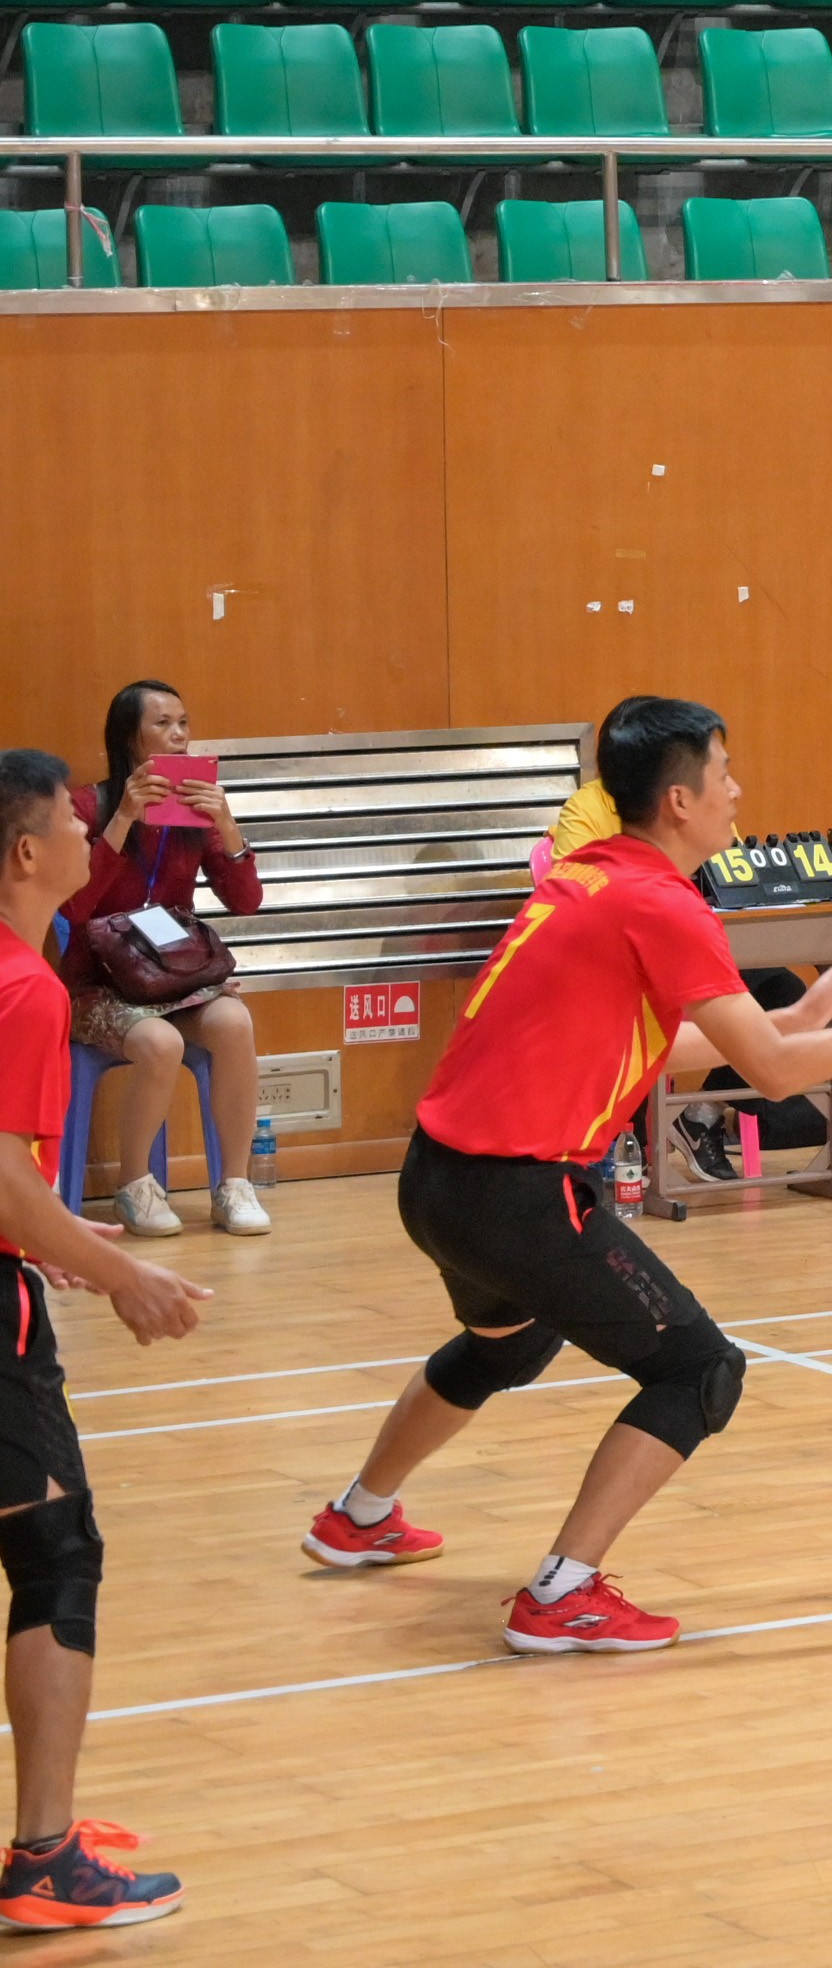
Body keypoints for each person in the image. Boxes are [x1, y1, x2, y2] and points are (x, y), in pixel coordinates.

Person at [306, 697, 832, 1649]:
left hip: (439, 1182)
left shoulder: (592, 878)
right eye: (724, 771)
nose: (738, 790)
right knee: (699, 1369)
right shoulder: (662, 901)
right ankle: (562, 1593)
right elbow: (777, 1080)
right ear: (679, 799)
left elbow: (646, 1048)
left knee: (506, 1344)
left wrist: (796, 1019)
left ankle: (358, 1516)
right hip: (519, 1194)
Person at [0, 749, 207, 1930]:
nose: (93, 839)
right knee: (58, 1556)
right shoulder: (27, 989)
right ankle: (44, 1859)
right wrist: (118, 1267)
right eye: (76, 824)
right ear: (28, 854)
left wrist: (54, 1227)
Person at [59, 681, 264, 1238]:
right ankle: (135, 1185)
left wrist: (225, 824)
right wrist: (123, 817)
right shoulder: (87, 805)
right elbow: (74, 906)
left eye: (184, 723)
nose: (179, 735)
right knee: (160, 1042)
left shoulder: (193, 809)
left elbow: (245, 901)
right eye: (163, 724)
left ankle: (235, 1184)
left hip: (172, 977)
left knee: (233, 1021)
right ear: (130, 738)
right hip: (95, 986)